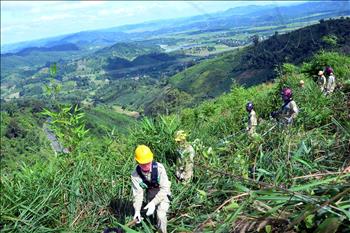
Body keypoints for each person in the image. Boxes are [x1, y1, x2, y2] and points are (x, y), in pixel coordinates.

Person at [131, 145, 171, 233]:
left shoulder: (159, 168)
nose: (146, 166)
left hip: (163, 193)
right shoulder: (135, 174)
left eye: (148, 163)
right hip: (150, 194)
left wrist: (154, 203)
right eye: (143, 164)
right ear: (137, 162)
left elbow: (165, 188)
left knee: (160, 215)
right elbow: (138, 194)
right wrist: (137, 210)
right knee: (150, 215)